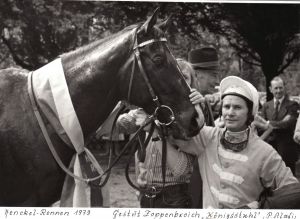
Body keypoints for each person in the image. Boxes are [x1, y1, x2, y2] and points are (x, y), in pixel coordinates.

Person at [170, 76, 299, 209]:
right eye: (226, 107)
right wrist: (188, 102)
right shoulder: (207, 137)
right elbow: (173, 132)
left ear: (250, 113)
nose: (230, 113)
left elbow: (294, 192)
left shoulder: (265, 153)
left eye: (237, 107)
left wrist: (260, 207)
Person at [116, 59, 199, 208]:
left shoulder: (192, 113)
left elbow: (182, 170)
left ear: (192, 83)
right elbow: (120, 124)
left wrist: (153, 131)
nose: (178, 81)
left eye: (184, 77)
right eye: (172, 76)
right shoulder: (153, 107)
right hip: (147, 194)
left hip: (175, 197)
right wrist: (125, 99)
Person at [187, 47, 220, 208]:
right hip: (188, 179)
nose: (216, 81)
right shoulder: (184, 103)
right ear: (198, 74)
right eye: (213, 75)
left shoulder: (203, 101)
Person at [260, 76, 299, 175]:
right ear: (270, 89)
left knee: (288, 182)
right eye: (276, 88)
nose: (278, 90)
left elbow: (287, 124)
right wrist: (279, 123)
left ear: (284, 88)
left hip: (287, 151)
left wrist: (268, 123)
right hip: (269, 150)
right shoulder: (266, 106)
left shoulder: (293, 105)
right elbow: (261, 126)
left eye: (280, 87)